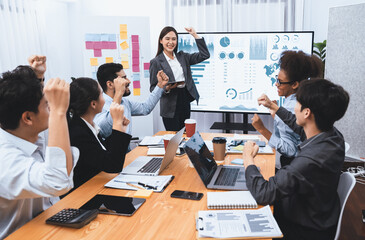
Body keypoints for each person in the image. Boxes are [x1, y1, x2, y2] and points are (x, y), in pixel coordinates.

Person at [243, 79, 350, 240]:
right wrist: (274, 107)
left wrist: (248, 159)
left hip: (302, 230)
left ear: (306, 113)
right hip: (319, 214)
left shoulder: (307, 162)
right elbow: (299, 126)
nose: (294, 108)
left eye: (297, 103)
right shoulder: (333, 136)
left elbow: (263, 194)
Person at [0, 66, 78, 238]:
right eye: (47, 105)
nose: (51, 107)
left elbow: (63, 175)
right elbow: (58, 183)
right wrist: (59, 111)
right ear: (27, 118)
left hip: (46, 225)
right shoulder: (4, 157)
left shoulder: (27, 132)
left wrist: (39, 75)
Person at [251, 50, 323, 168]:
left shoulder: (291, 107)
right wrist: (277, 116)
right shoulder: (300, 100)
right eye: (276, 79)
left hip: (293, 168)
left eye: (280, 82)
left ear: (294, 84)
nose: (276, 84)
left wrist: (261, 129)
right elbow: (295, 134)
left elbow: (290, 150)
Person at [66, 77, 131, 193]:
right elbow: (112, 165)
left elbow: (104, 152)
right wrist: (116, 123)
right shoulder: (78, 132)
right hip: (87, 196)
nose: (105, 99)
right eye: (101, 94)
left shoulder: (86, 125)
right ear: (93, 104)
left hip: (97, 186)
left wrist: (121, 128)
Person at [149, 26, 210, 131]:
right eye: (167, 39)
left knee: (185, 134)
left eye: (174, 39)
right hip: (169, 104)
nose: (171, 42)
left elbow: (205, 55)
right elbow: (152, 88)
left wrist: (195, 35)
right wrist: (167, 88)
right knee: (174, 137)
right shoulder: (156, 62)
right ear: (161, 41)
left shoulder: (183, 57)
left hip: (184, 99)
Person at [94, 63, 169, 138]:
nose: (129, 81)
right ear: (110, 84)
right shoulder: (99, 105)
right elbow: (103, 131)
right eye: (124, 78)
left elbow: (145, 108)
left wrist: (160, 85)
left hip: (128, 149)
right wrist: (118, 94)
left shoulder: (125, 102)